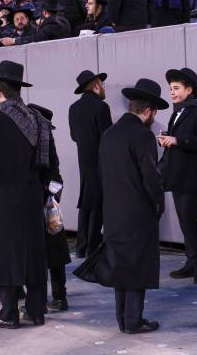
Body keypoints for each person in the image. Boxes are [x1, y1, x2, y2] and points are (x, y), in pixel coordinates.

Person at [77, 78, 168, 334]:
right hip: (138, 213)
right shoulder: (143, 136)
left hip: (113, 211)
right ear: (148, 111)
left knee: (121, 266)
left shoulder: (110, 134)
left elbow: (102, 173)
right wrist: (157, 206)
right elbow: (151, 178)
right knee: (138, 266)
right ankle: (134, 320)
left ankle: (123, 319)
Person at [0, 60, 54, 329]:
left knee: (4, 255)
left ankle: (8, 314)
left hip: (0, 197)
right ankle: (36, 311)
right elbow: (48, 165)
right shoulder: (37, 120)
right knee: (32, 253)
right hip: (31, 196)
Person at [157, 67, 197, 284]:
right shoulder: (178, 111)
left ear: (189, 90)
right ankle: (193, 263)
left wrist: (178, 141)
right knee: (185, 221)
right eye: (171, 88)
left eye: (176, 88)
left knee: (189, 221)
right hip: (179, 176)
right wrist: (168, 138)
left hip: (192, 177)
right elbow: (180, 139)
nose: (171, 92)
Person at [26, 103, 72, 312]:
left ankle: (52, 298)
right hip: (46, 200)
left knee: (46, 252)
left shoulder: (35, 140)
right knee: (54, 252)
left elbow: (54, 173)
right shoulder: (45, 141)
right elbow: (56, 174)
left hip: (40, 201)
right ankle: (58, 296)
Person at [68, 70, 112, 258]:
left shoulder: (73, 108)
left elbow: (74, 136)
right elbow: (108, 137)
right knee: (97, 203)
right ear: (95, 85)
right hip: (101, 161)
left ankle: (81, 246)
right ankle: (92, 246)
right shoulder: (101, 107)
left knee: (86, 202)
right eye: (102, 84)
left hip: (84, 161)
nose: (103, 88)